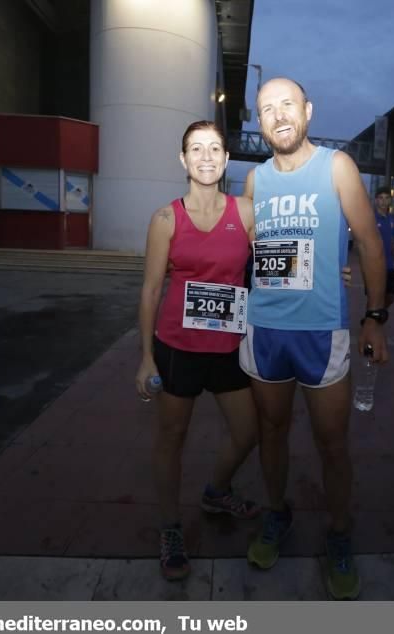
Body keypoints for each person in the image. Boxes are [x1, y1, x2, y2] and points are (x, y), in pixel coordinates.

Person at [240, 77, 389, 600]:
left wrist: (374, 316)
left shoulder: (337, 167)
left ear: (307, 110)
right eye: (265, 109)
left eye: (286, 105)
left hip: (322, 334)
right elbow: (259, 254)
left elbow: (370, 243)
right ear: (259, 123)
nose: (277, 116)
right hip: (265, 330)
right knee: (272, 430)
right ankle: (277, 513)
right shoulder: (255, 181)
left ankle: (339, 532)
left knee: (332, 443)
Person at [135, 121, 261, 582]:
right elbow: (150, 291)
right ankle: (169, 528)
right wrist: (146, 357)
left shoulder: (246, 212)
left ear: (226, 159)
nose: (206, 156)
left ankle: (216, 490)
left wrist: (328, 272)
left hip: (230, 346)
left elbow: (279, 266)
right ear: (183, 159)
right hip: (177, 349)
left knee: (249, 432)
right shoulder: (165, 219)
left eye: (214, 148)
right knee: (172, 440)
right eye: (196, 149)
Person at [371, 186, 394, 307]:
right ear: (376, 200)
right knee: (374, 298)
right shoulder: (370, 218)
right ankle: (370, 319)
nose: (383, 201)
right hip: (374, 266)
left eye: (386, 198)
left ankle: (380, 312)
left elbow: (392, 243)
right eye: (380, 198)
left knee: (390, 297)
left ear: (390, 200)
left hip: (389, 266)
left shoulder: (393, 219)